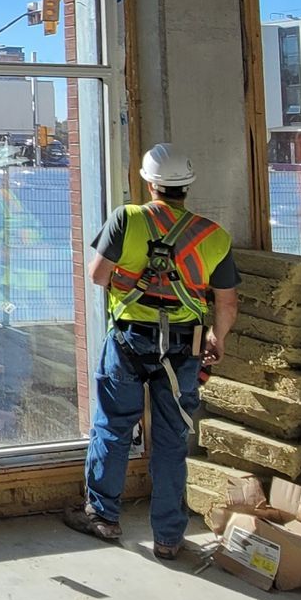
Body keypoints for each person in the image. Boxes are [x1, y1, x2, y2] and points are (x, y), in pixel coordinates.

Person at [65, 143, 239, 560]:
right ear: (188, 186)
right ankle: (168, 539)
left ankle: (103, 516)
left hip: (128, 340)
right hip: (184, 347)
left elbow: (98, 276)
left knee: (113, 426)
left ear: (149, 182)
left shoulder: (127, 219)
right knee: (171, 439)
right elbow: (227, 302)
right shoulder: (214, 236)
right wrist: (219, 337)